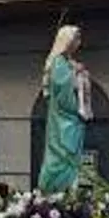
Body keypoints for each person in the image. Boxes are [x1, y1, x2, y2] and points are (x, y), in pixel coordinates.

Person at [37, 25, 90, 194]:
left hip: (72, 120)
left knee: (70, 158)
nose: (78, 43)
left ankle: (67, 191)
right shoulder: (58, 62)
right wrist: (75, 74)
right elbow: (62, 89)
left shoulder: (68, 62)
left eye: (79, 39)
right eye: (75, 39)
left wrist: (80, 74)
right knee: (60, 154)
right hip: (63, 118)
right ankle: (52, 190)